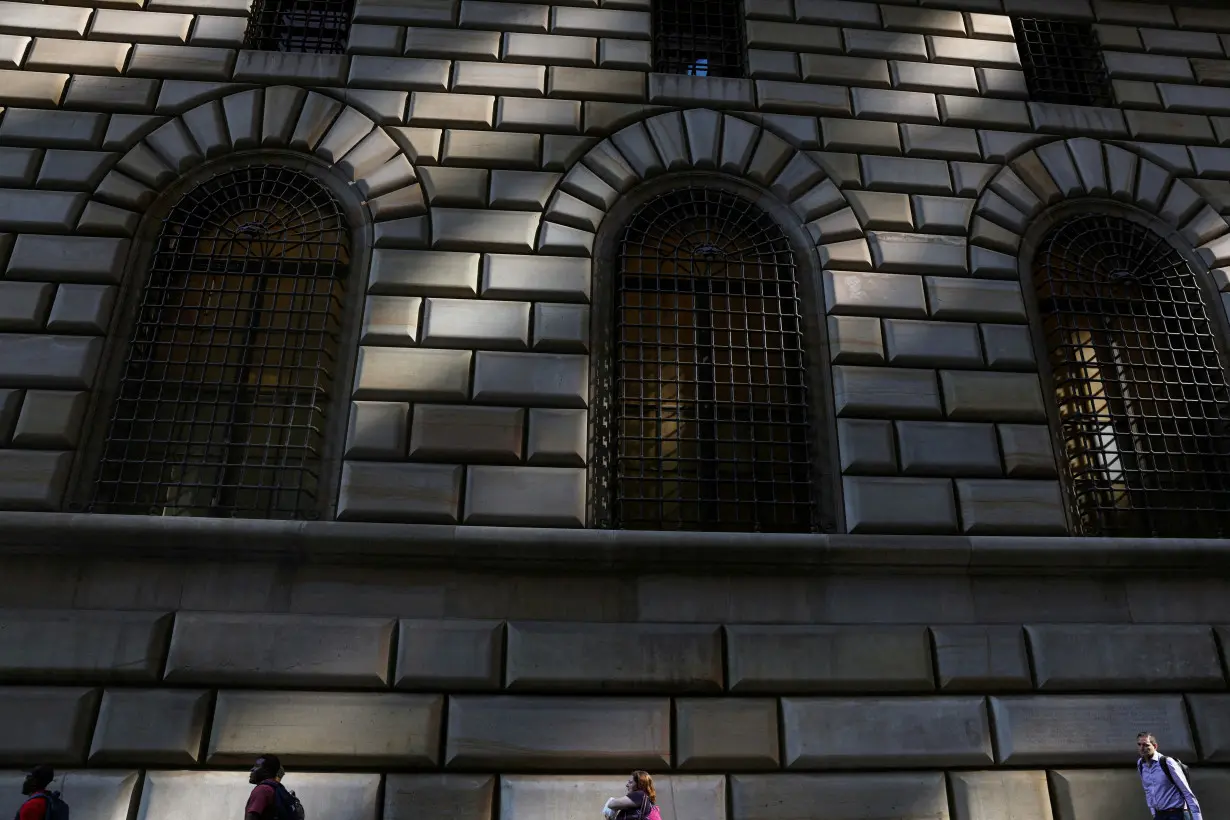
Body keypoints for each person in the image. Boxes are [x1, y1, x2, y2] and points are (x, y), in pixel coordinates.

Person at [1137, 732, 1202, 820]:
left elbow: (1186, 791)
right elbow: (1148, 790)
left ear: (1155, 746)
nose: (1142, 748)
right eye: (1139, 745)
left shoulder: (1167, 762)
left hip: (1176, 814)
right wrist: (1153, 813)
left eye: (1146, 745)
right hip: (1159, 815)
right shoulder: (1141, 764)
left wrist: (1197, 818)